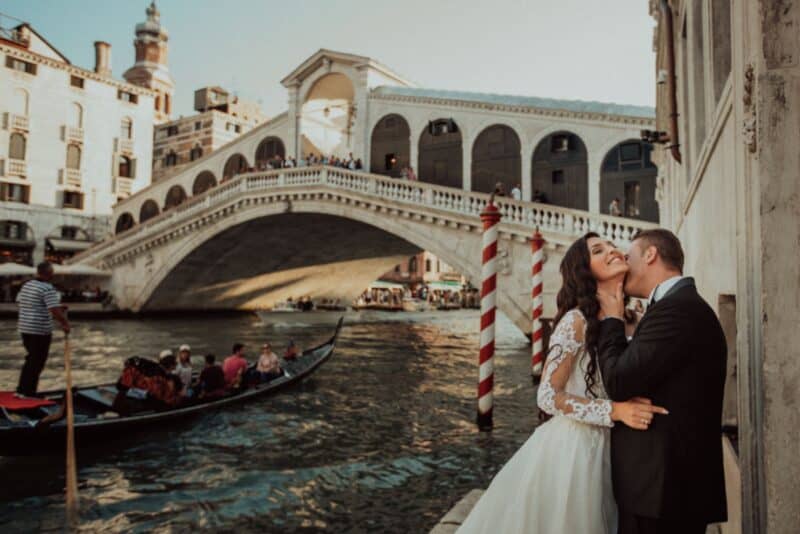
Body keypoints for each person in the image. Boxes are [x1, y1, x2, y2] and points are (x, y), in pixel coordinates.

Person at [457, 233, 667, 534]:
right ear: (584, 270)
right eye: (598, 250)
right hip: (576, 449)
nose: (612, 251)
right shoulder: (576, 321)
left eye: (611, 246)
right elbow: (546, 395)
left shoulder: (638, 316)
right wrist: (615, 412)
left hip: (623, 447)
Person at [596, 229, 727, 534]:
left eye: (628, 257)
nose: (624, 265)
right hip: (665, 491)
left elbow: (618, 381)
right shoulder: (677, 306)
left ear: (651, 254)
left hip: (664, 493)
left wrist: (612, 319)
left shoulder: (676, 309)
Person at [15, 262, 70, 397]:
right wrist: (65, 323)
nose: (53, 274)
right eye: (52, 271)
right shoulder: (47, 288)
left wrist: (57, 306)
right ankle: (28, 392)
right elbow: (53, 311)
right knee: (37, 361)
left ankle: (22, 390)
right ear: (48, 273)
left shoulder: (27, 285)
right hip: (39, 330)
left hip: (25, 328)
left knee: (31, 359)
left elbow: (28, 302)